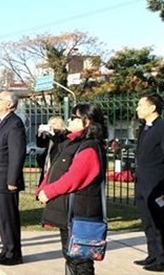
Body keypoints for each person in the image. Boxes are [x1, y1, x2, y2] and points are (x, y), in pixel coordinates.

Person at [37, 103, 108, 275]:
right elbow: (56, 167)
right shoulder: (73, 142)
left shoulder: (90, 146)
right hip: (70, 213)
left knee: (80, 260)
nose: (69, 120)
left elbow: (75, 177)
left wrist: (49, 191)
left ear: (87, 121)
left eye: (74, 117)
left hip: (81, 213)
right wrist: (42, 187)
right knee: (70, 256)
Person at [133, 93, 164, 272]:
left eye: (141, 105)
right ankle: (153, 254)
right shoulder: (144, 128)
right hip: (142, 183)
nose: (137, 108)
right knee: (147, 221)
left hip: (157, 184)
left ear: (152, 108)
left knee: (160, 223)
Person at [0, 90, 27, 266]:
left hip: (5, 181)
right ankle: (7, 249)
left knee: (8, 218)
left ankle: (13, 254)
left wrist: (12, 180)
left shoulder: (14, 124)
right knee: (2, 218)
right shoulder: (1, 122)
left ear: (9, 104)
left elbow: (17, 154)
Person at [36, 116, 68, 188]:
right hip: (48, 162)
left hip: (56, 161)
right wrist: (40, 134)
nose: (51, 126)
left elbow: (60, 145)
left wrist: (53, 134)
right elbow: (40, 145)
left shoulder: (64, 135)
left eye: (53, 124)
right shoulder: (49, 136)